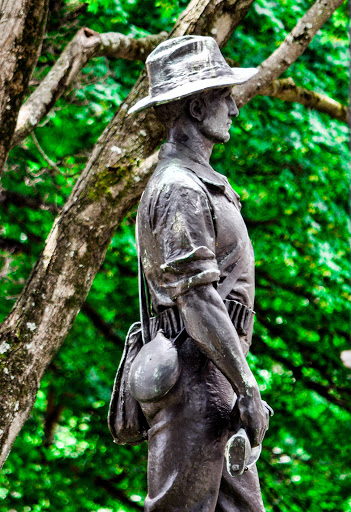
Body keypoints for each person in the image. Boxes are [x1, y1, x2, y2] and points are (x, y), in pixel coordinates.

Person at [128, 35, 270, 512]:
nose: (234, 109)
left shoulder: (204, 185)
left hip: (216, 380)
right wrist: (247, 386)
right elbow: (199, 301)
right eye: (223, 97)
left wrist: (238, 385)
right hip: (196, 381)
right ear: (194, 108)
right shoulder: (179, 189)